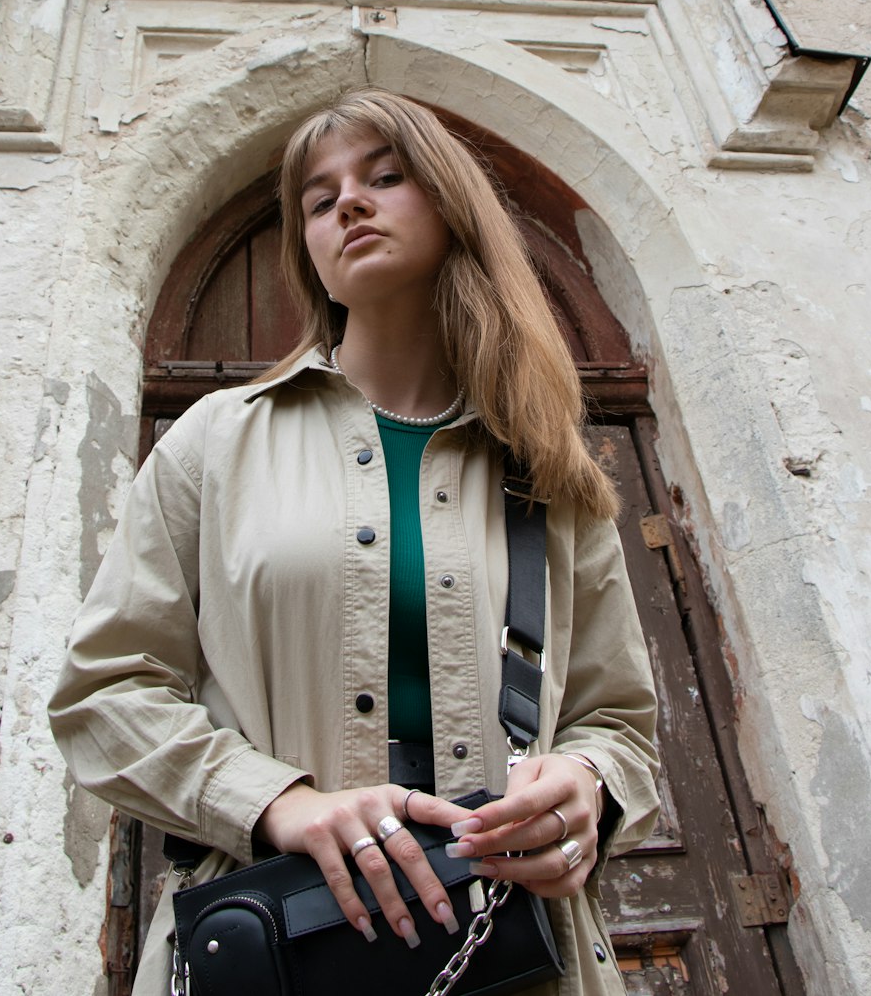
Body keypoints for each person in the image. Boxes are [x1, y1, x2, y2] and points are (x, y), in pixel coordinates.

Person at [49, 88, 659, 996]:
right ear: (309, 248)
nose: (349, 204)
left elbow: (621, 725)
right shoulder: (217, 441)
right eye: (319, 197)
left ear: (454, 209)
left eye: (385, 176)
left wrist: (586, 786)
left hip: (515, 955)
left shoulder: (542, 467)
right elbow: (103, 692)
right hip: (283, 951)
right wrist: (277, 802)